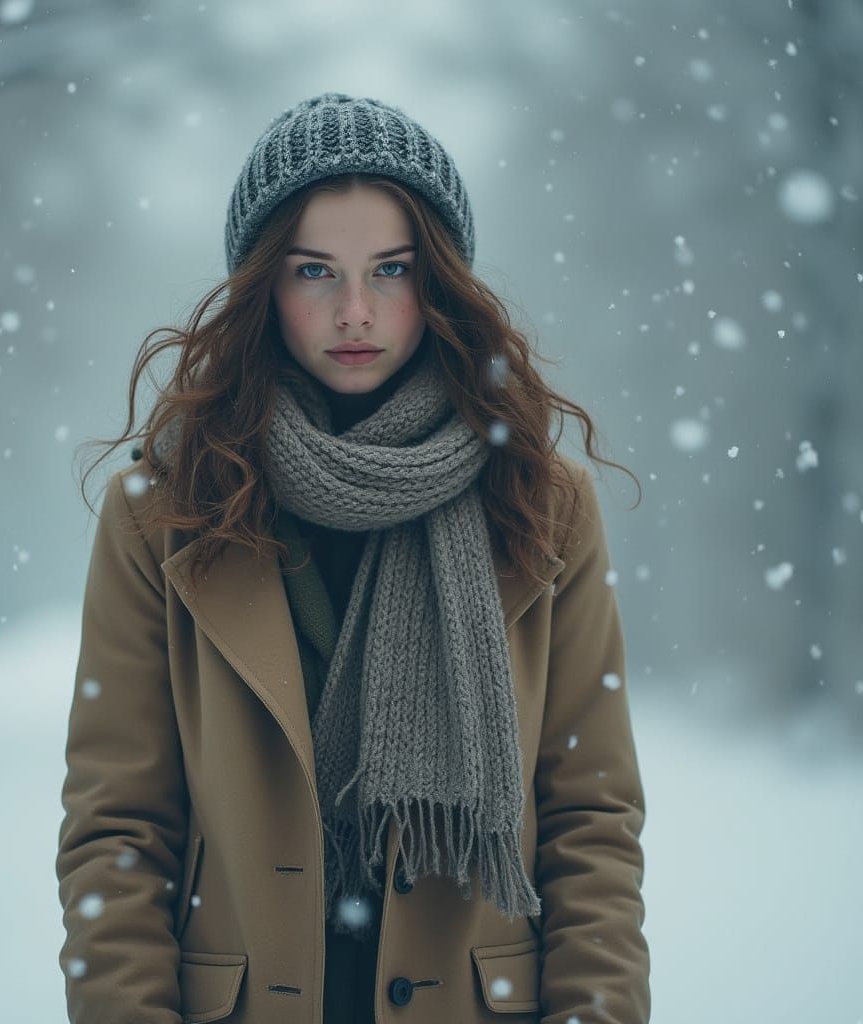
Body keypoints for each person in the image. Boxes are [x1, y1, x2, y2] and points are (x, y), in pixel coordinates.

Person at [56, 92, 650, 1024]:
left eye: (392, 269)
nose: (355, 311)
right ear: (263, 284)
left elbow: (590, 821)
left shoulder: (540, 500)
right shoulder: (166, 507)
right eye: (314, 272)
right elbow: (119, 829)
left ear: (440, 279)